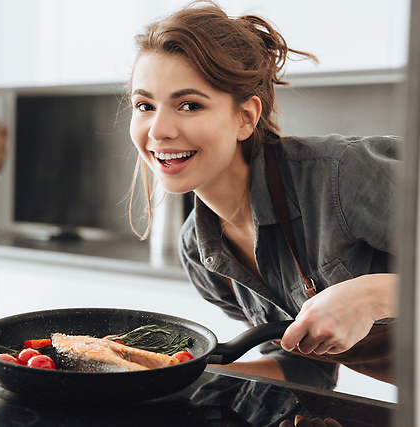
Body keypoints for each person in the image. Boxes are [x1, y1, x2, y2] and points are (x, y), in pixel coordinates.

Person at [127, 0, 398, 390]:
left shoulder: (341, 175)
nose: (158, 130)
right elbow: (307, 371)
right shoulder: (201, 253)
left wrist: (375, 294)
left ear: (245, 118)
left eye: (189, 105)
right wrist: (175, 383)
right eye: (145, 105)